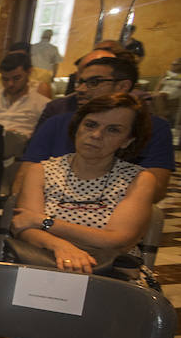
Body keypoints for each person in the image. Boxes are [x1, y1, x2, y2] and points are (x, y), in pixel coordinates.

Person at [10, 92, 156, 279]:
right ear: (77, 126)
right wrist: (61, 246)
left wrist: (44, 221)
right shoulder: (41, 171)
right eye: (90, 124)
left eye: (113, 130)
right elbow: (24, 228)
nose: (96, 135)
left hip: (112, 274)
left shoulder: (140, 179)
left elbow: (117, 240)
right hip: (45, 264)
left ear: (128, 140)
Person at [23, 54, 172, 203]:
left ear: (122, 86)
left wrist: (92, 204)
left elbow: (155, 191)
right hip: (47, 211)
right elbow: (23, 182)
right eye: (79, 82)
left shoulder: (154, 128)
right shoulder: (56, 123)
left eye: (93, 82)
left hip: (115, 215)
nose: (81, 89)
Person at [0, 51, 47, 136]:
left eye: (16, 78)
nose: (10, 84)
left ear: (29, 72)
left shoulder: (42, 104)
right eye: (5, 79)